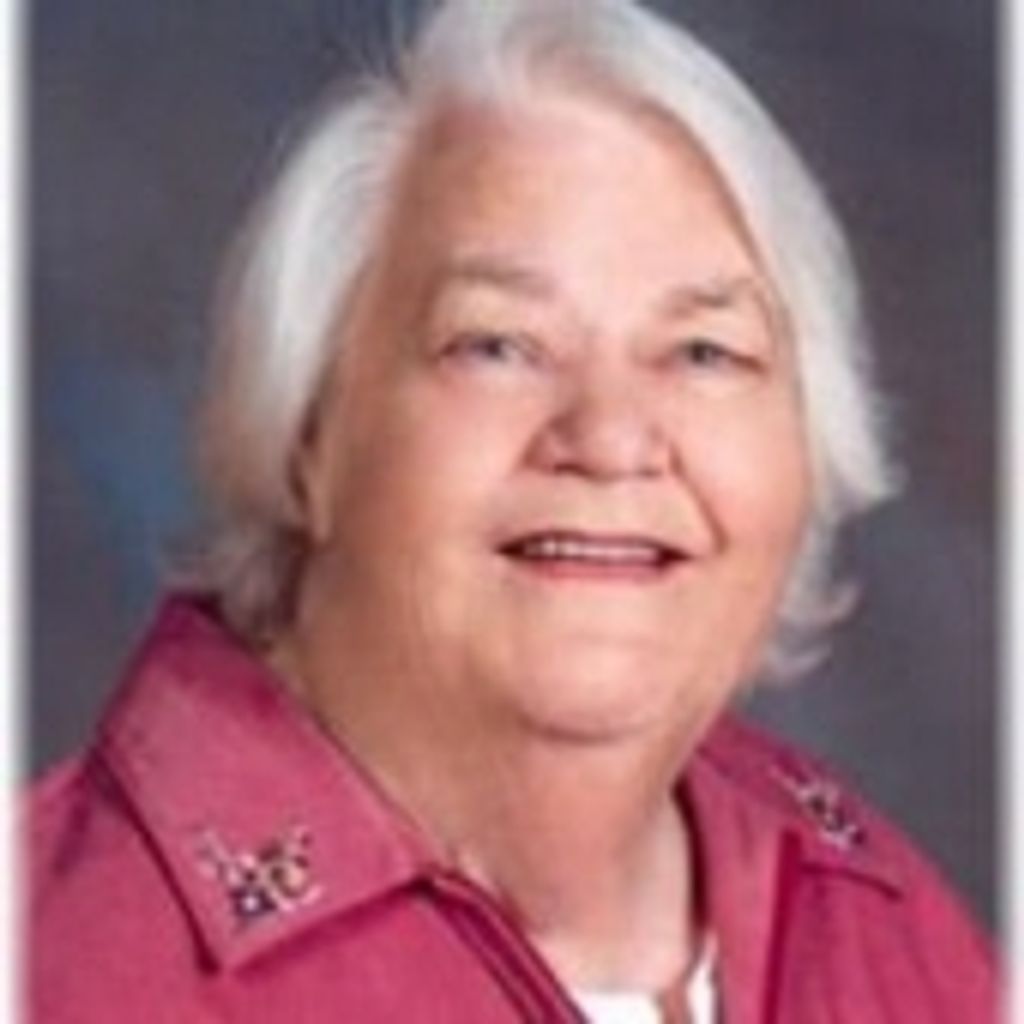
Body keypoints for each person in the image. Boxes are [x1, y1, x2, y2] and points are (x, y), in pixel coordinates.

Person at [28, 0, 996, 1020]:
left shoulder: (888, 929)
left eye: (705, 352)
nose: (611, 437)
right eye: (497, 345)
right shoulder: (63, 953)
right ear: (311, 435)